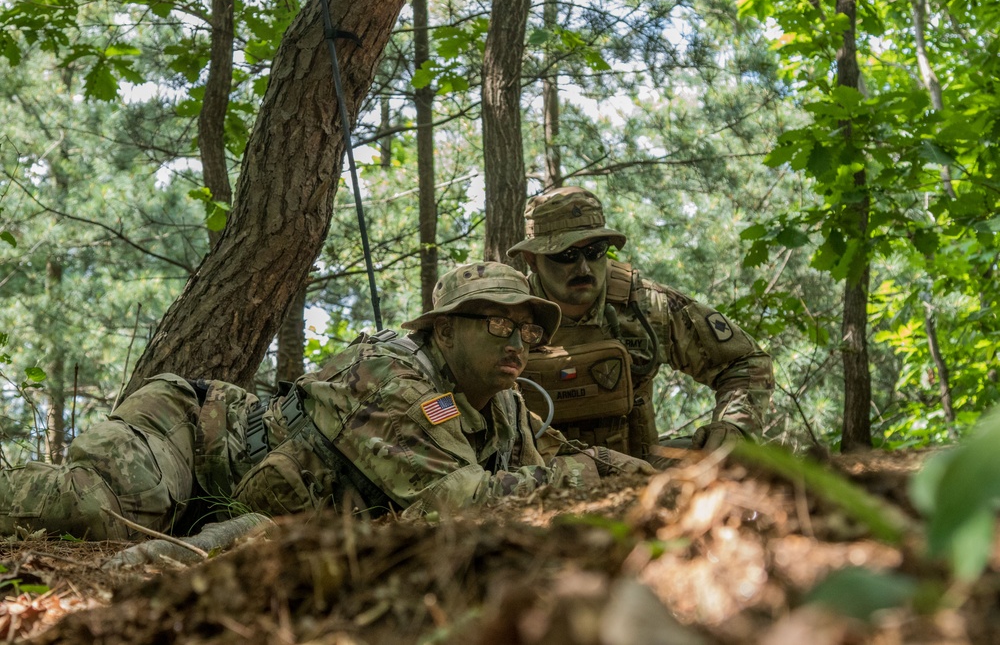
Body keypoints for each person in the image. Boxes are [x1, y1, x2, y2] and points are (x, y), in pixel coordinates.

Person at [0, 262, 650, 540]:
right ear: (446, 330)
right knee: (107, 510)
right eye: (500, 323)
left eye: (530, 328)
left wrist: (644, 475)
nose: (521, 340)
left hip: (230, 507)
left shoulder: (502, 402)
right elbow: (461, 501)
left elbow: (562, 457)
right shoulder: (394, 374)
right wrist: (590, 475)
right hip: (193, 434)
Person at [507, 186, 774, 464]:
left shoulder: (646, 305)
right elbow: (458, 396)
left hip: (640, 470)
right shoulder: (506, 316)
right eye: (565, 255)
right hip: (536, 479)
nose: (584, 268)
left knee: (732, 466)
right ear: (531, 259)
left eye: (595, 251)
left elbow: (746, 361)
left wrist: (733, 425)